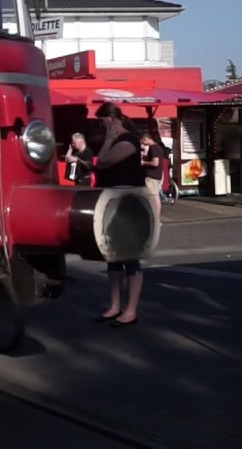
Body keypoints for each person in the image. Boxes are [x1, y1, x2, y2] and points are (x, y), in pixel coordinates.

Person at [89, 102, 147, 328]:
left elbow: (103, 162)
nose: (102, 127)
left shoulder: (129, 141)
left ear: (112, 120)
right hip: (112, 199)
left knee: (129, 255)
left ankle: (130, 310)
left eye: (103, 122)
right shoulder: (120, 141)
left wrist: (109, 139)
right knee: (112, 255)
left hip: (127, 202)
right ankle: (115, 305)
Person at [140, 132, 165, 215]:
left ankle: (155, 217)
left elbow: (155, 163)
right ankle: (156, 217)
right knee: (155, 196)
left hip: (151, 176)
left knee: (153, 197)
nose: (142, 143)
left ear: (145, 139)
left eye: (142, 141)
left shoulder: (153, 148)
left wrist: (143, 163)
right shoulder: (157, 147)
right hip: (156, 175)